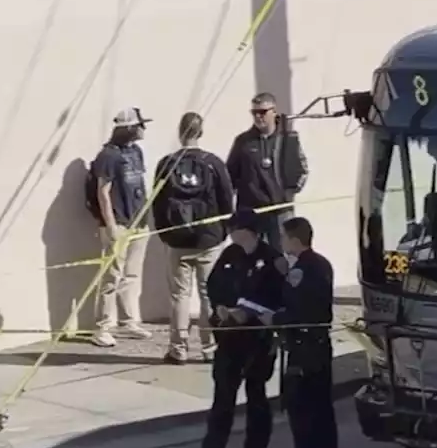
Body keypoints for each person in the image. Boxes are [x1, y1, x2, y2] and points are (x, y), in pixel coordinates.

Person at [190, 209, 286, 448]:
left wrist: (250, 311)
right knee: (223, 397)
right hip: (230, 337)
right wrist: (221, 307)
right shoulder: (229, 255)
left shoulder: (271, 259)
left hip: (257, 337)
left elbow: (277, 295)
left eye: (235, 229)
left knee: (257, 395)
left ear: (250, 231)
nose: (231, 234)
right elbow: (214, 284)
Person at [152, 112, 234, 364]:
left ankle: (178, 349)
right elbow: (227, 200)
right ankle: (209, 349)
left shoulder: (167, 163)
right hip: (209, 239)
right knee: (208, 294)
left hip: (177, 241)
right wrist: (223, 232)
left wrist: (165, 234)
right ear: (200, 132)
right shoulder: (213, 163)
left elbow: (156, 202)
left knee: (179, 295)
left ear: (180, 131)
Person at [260, 216, 338, 448]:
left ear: (294, 239)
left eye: (284, 237)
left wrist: (275, 318)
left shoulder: (300, 269)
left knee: (300, 405)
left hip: (303, 344)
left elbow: (299, 308)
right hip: (319, 341)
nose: (281, 242)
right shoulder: (322, 264)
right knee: (322, 402)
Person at [84, 107, 154, 347]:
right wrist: (111, 224)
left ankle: (128, 321)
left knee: (132, 275)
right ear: (130, 128)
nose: (144, 129)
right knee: (111, 276)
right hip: (119, 224)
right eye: (140, 125)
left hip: (138, 222)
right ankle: (102, 326)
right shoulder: (108, 156)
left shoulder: (136, 152)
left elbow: (140, 185)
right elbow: (102, 192)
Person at [226, 92, 309, 246]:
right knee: (253, 260)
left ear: (274, 112)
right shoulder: (243, 142)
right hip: (251, 214)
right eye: (254, 113)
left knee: (281, 258)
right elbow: (230, 176)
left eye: (263, 112)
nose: (258, 117)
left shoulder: (287, 139)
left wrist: (288, 193)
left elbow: (302, 170)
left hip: (280, 213)